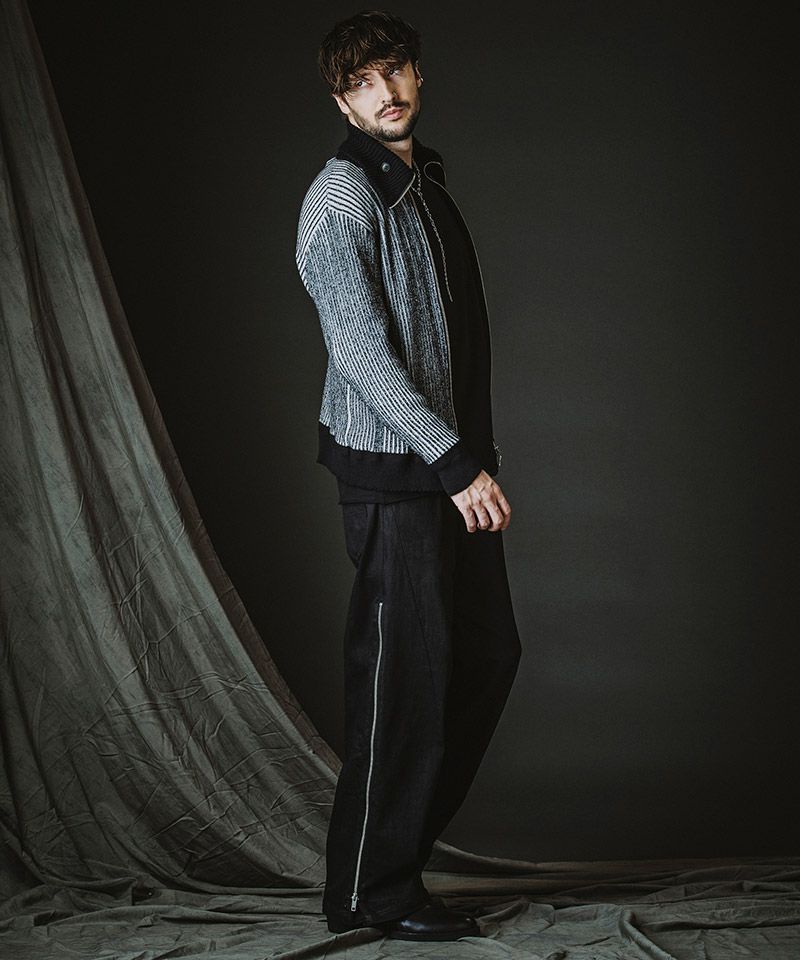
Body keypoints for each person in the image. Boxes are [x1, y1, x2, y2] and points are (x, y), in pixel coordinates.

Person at [294, 10, 522, 943]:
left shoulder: (422, 186)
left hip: (449, 471)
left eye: (394, 70)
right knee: (404, 687)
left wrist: (473, 462)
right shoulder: (341, 199)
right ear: (340, 101)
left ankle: (390, 861)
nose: (384, 92)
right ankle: (371, 891)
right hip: (399, 476)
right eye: (362, 82)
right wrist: (455, 464)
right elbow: (361, 354)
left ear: (418, 75)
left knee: (485, 659)